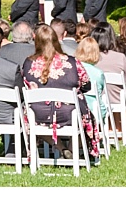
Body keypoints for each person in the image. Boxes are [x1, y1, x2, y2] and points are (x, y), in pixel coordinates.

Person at [18, 24, 98, 163]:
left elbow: (23, 83)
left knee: (32, 116)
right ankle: (72, 151)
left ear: (36, 41)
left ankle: (62, 149)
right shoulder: (72, 62)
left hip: (38, 113)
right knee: (84, 113)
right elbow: (86, 84)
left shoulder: (28, 63)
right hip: (69, 112)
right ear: (56, 39)